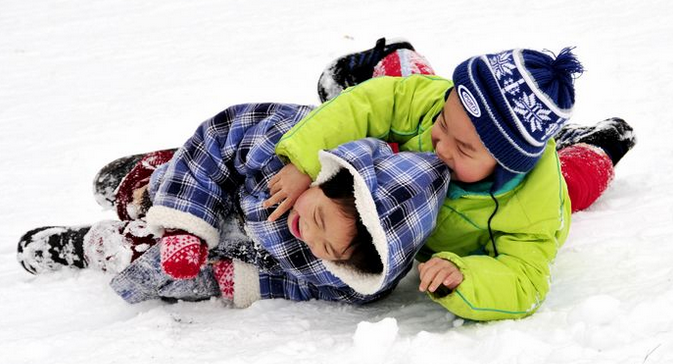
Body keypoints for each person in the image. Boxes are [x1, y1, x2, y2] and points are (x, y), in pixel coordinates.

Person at [266, 38, 637, 321]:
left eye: (463, 148)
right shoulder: (441, 106)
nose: (443, 145)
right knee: (410, 84)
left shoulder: (531, 208)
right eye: (444, 124)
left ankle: (600, 146)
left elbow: (525, 279)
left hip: (548, 183)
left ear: (506, 164)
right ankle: (393, 55)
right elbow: (380, 101)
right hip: (409, 163)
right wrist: (304, 159)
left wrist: (466, 275)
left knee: (574, 183)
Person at [17, 101, 450, 308]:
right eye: (318, 217)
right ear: (329, 177)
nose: (312, 238)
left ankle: (92, 246)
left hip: (247, 253)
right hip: (228, 192)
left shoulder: (352, 272)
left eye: (330, 250)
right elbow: (222, 135)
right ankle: (154, 182)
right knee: (172, 192)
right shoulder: (287, 145)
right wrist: (188, 226)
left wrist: (249, 282)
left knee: (157, 263)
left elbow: (316, 285)